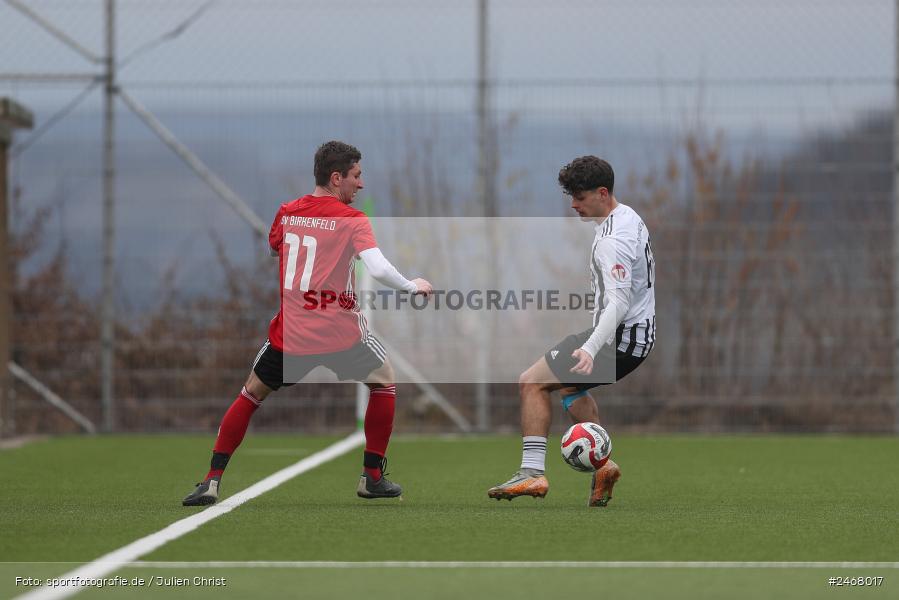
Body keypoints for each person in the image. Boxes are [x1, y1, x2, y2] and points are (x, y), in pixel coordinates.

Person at [183, 141, 432, 506]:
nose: (361, 185)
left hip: (292, 335)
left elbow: (274, 249)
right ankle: (372, 477)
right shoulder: (352, 220)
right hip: (340, 333)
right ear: (336, 178)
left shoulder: (287, 212)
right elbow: (377, 268)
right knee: (384, 381)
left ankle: (211, 480)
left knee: (250, 394)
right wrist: (412, 286)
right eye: (356, 176)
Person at [487, 156, 655, 507]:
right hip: (634, 336)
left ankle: (532, 473)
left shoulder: (613, 240)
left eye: (579, 197)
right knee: (567, 386)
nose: (574, 205)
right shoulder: (628, 216)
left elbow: (619, 303)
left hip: (620, 338)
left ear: (602, 193)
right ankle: (604, 467)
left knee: (531, 382)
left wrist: (592, 347)